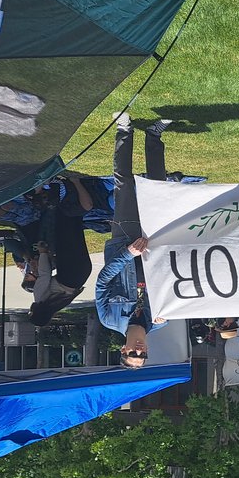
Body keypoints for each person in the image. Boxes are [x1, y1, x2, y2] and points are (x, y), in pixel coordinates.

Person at [95, 113, 172, 368]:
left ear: (123, 349)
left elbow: (103, 280)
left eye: (132, 354)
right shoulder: (162, 319)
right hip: (156, 243)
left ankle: (124, 130)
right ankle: (154, 135)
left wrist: (128, 253)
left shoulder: (109, 318)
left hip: (125, 241)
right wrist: (167, 312)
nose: (139, 352)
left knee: (124, 184)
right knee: (159, 187)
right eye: (143, 356)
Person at [27, 203, 94, 326]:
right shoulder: (40, 298)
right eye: (30, 313)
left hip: (81, 274)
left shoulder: (56, 304)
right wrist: (43, 253)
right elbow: (45, 275)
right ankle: (66, 200)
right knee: (64, 229)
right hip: (68, 272)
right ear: (35, 312)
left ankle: (79, 204)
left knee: (76, 231)